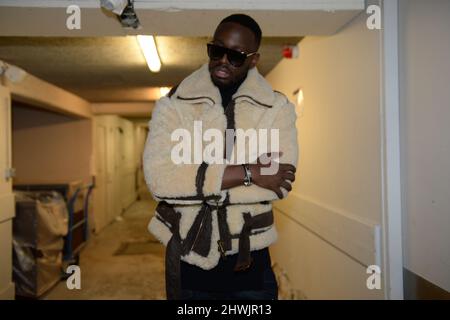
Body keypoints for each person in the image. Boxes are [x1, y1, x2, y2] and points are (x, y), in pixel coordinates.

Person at [143, 13, 298, 300]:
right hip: (189, 259)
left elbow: (278, 181)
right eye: (217, 50)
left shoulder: (276, 107)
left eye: (236, 55)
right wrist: (249, 172)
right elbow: (160, 180)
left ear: (253, 59)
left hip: (249, 260)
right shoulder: (173, 105)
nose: (223, 60)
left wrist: (194, 181)